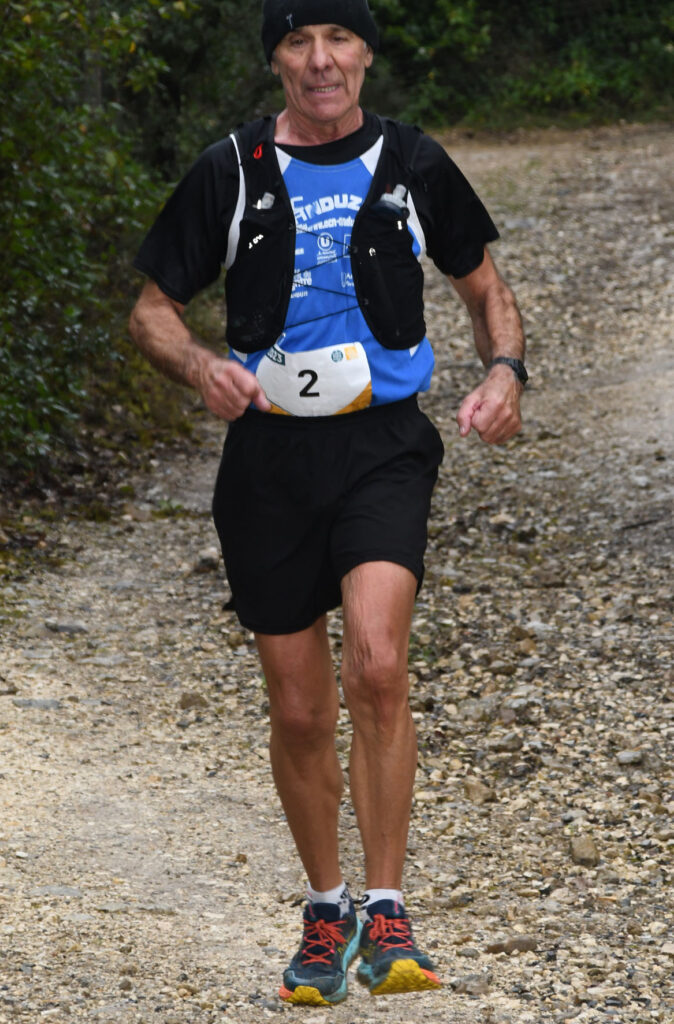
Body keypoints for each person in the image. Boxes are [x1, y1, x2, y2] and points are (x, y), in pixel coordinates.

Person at [129, 0, 526, 1007]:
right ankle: (326, 909)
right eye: (298, 43)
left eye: (338, 40)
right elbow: (151, 311)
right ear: (275, 60)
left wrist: (505, 370)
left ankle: (388, 909)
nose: (320, 61)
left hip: (383, 445)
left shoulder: (412, 162)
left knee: (378, 664)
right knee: (301, 709)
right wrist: (199, 367)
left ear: (366, 55)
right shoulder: (231, 169)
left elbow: (485, 287)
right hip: (267, 460)